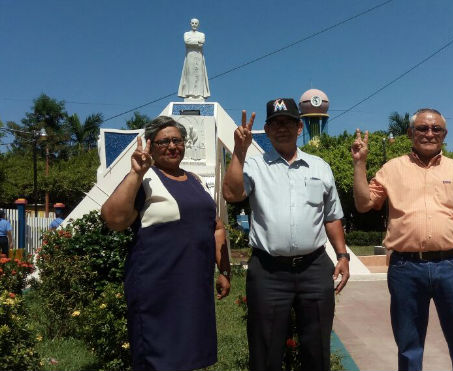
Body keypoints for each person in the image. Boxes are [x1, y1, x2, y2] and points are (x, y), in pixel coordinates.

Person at [351, 108, 453, 371]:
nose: (429, 133)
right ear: (410, 133)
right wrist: (359, 163)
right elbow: (364, 203)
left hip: (452, 267)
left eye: (436, 129)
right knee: (409, 346)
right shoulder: (392, 169)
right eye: (422, 128)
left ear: (444, 134)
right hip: (406, 269)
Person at [223, 98, 350, 371]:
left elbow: (332, 216)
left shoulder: (320, 167)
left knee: (317, 349)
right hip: (268, 270)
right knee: (265, 350)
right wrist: (238, 152)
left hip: (314, 268)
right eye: (275, 123)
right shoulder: (253, 166)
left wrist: (342, 255)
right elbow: (232, 194)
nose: (282, 128)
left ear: (299, 128)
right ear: (267, 131)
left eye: (289, 123)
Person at [101, 116, 230, 371]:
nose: (172, 146)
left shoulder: (194, 180)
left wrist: (224, 270)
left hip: (193, 288)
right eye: (164, 142)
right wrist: (136, 172)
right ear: (151, 145)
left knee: (190, 355)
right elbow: (113, 220)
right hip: (156, 290)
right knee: (159, 358)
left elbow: (215, 226)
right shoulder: (145, 179)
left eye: (177, 140)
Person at [178, 18, 210, 101]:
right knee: (190, 75)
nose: (194, 25)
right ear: (190, 24)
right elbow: (187, 41)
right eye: (193, 23)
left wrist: (194, 43)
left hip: (199, 55)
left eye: (196, 23)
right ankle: (190, 93)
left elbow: (202, 43)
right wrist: (197, 42)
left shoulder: (201, 34)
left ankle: (199, 94)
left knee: (199, 75)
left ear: (198, 24)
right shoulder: (186, 34)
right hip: (190, 55)